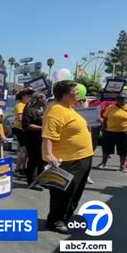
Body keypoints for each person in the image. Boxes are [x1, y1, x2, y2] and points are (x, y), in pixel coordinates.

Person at [42, 80, 94, 234]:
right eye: (75, 91)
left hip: (82, 158)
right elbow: (48, 137)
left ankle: (66, 217)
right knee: (63, 194)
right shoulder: (55, 111)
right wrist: (50, 155)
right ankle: (55, 221)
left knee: (75, 192)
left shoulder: (69, 108)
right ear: (65, 95)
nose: (79, 93)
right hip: (69, 161)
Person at [97, 93, 127, 173]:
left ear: (126, 99)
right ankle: (103, 163)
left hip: (124, 133)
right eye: (119, 98)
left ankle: (122, 166)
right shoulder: (110, 108)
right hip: (110, 132)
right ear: (116, 99)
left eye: (123, 98)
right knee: (106, 149)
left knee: (124, 151)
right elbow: (105, 117)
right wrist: (104, 127)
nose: (121, 100)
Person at [22, 92, 47, 190]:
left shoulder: (45, 109)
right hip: (33, 140)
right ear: (39, 99)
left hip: (43, 139)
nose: (46, 99)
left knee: (42, 160)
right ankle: (32, 181)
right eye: (44, 97)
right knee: (34, 160)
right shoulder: (30, 111)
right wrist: (42, 128)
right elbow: (27, 126)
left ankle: (40, 180)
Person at [13, 88, 34, 177]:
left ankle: (23, 167)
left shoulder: (28, 105)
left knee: (26, 151)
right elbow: (21, 118)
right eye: (27, 96)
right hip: (20, 129)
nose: (29, 97)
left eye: (30, 96)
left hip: (25, 129)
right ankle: (18, 168)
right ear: (22, 97)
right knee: (23, 150)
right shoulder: (20, 105)